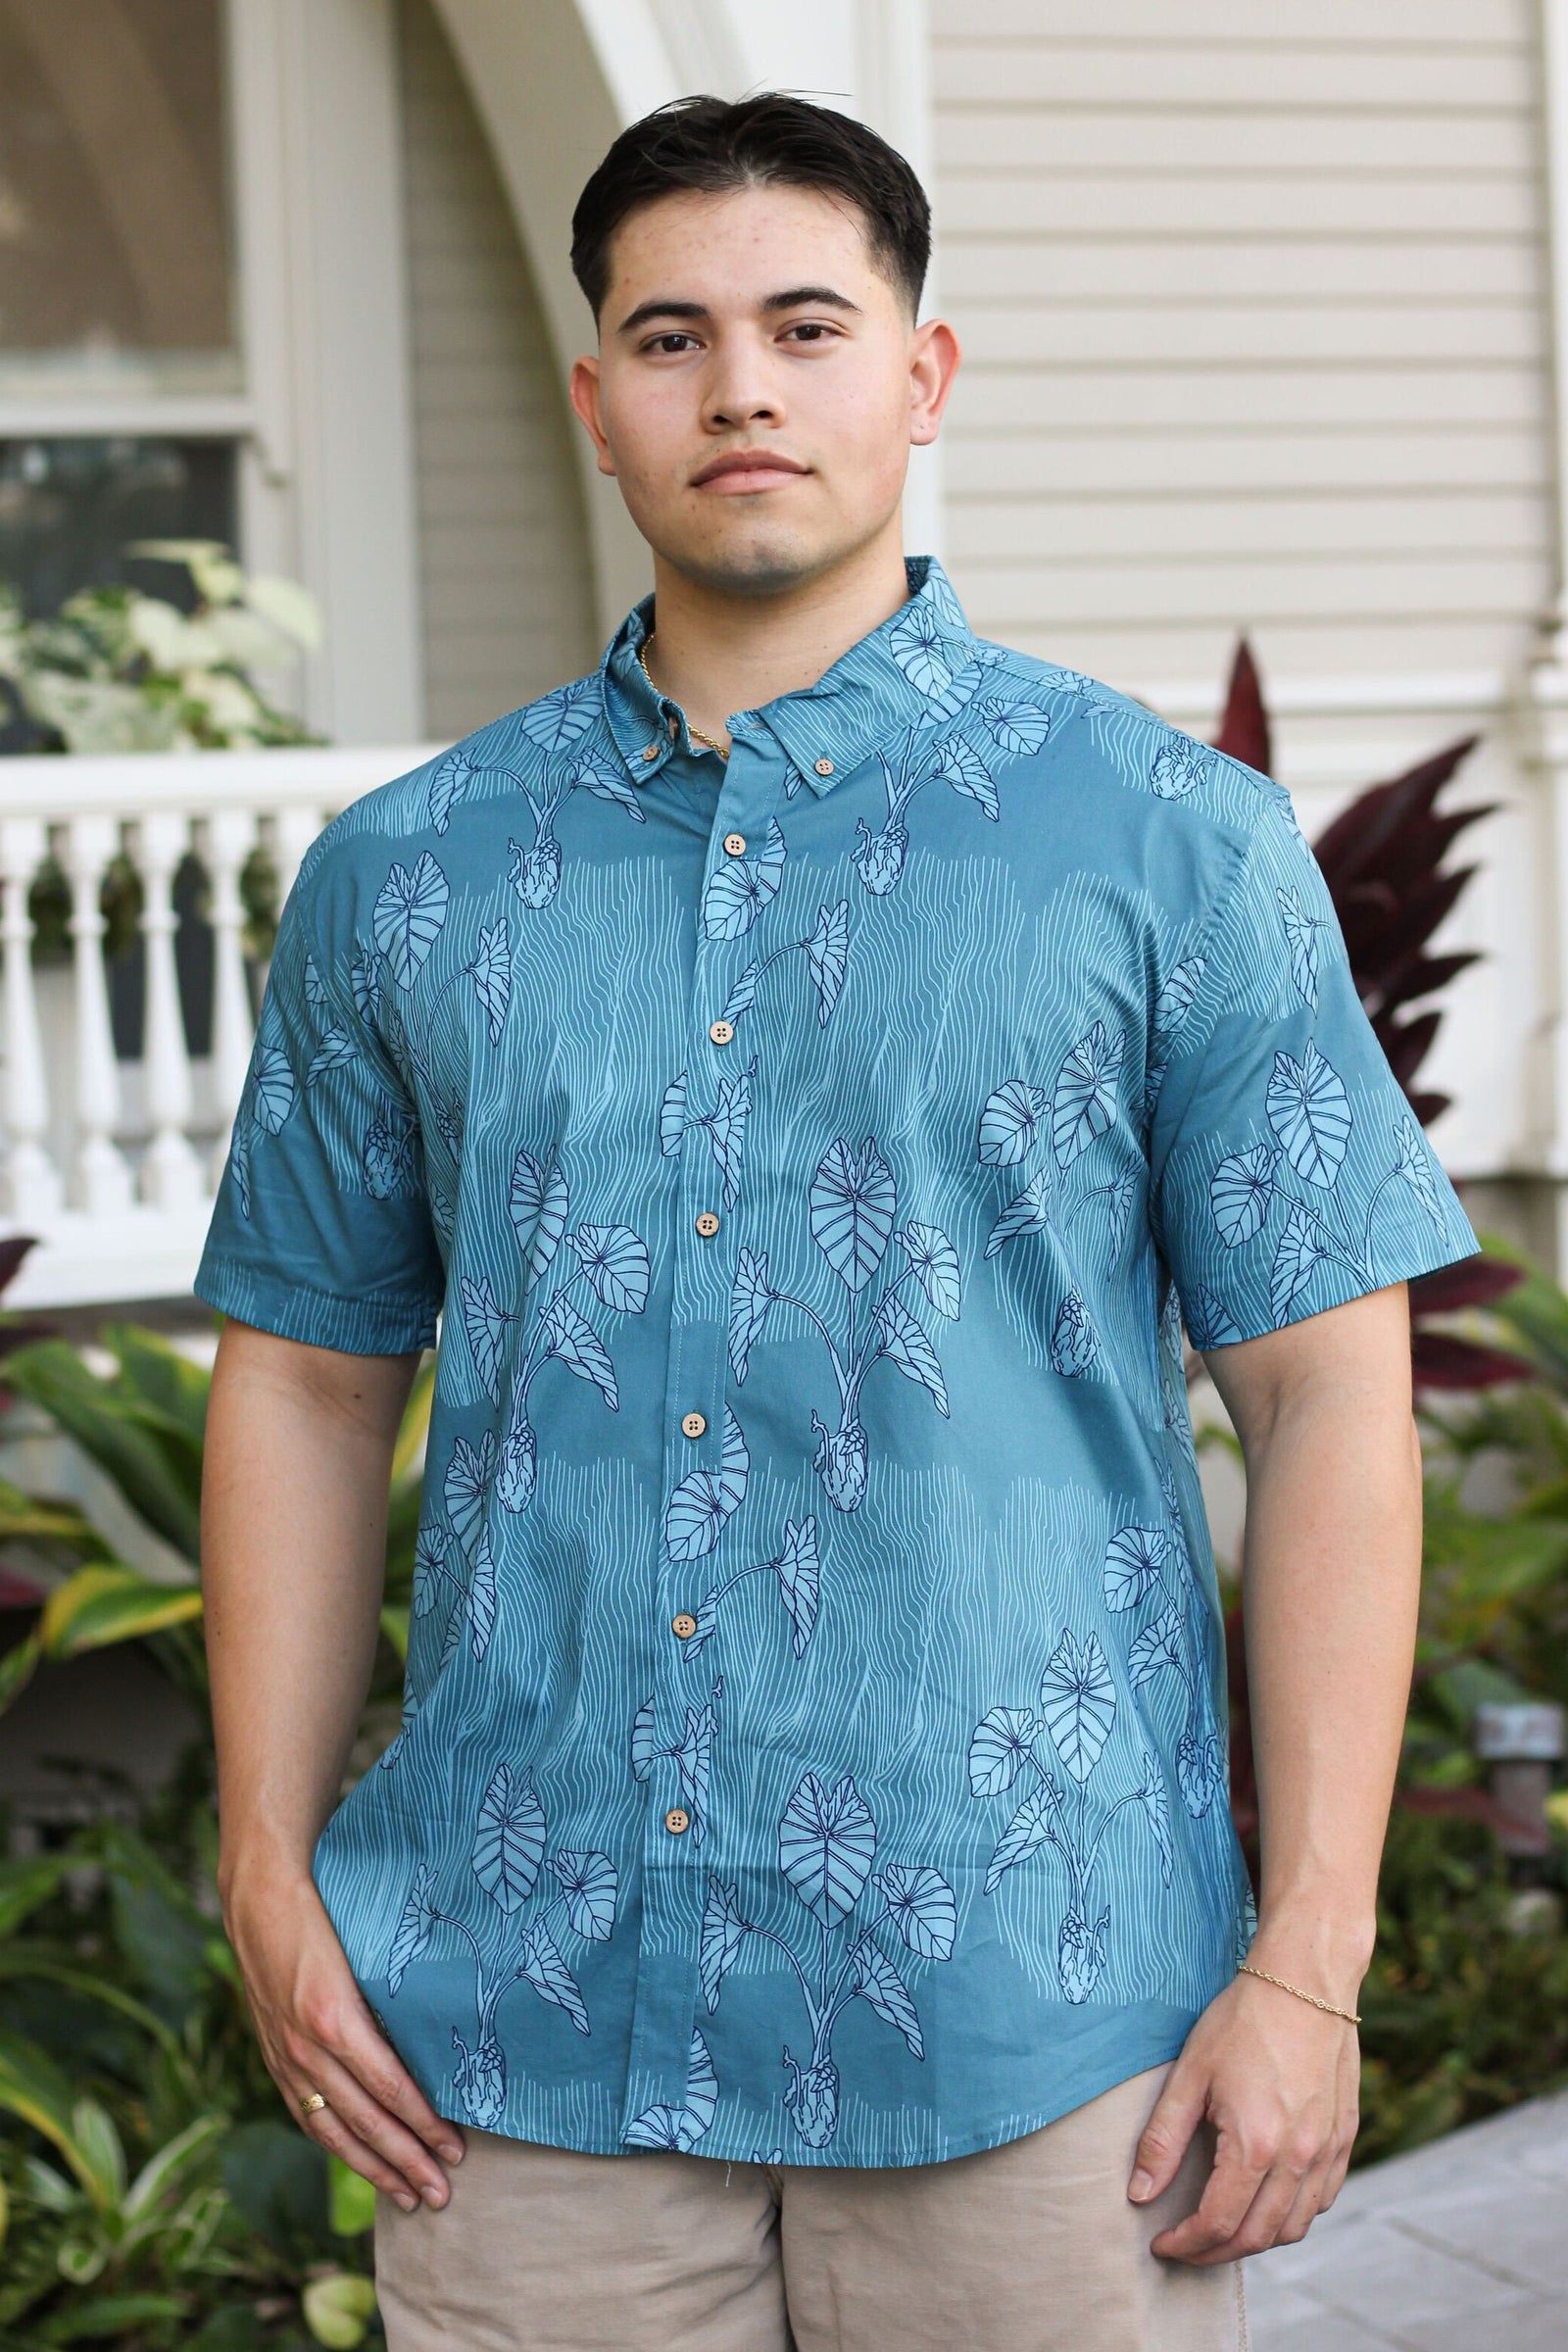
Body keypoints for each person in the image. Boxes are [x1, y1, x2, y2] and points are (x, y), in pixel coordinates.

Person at [197, 92, 1482, 2352]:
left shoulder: (1167, 846)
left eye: (805, 326)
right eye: (670, 337)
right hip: (523, 2028)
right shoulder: (411, 879)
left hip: (1036, 2021)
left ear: (922, 372)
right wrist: (262, 1866)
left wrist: (1305, 1960)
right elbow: (305, 1381)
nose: (741, 390)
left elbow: (1324, 1407)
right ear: (594, 399)